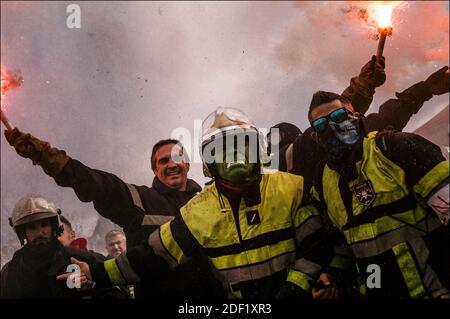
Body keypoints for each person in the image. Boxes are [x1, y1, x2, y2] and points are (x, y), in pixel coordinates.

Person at [59, 107, 338, 299]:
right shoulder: (197, 213)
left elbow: (318, 245)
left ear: (258, 150)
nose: (235, 159)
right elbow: (152, 257)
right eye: (223, 151)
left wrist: (296, 288)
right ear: (209, 163)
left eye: (242, 146)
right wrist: (95, 272)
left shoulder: (289, 188)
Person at [3, 134, 225, 298]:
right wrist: (44, 155)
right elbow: (98, 184)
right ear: (154, 170)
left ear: (187, 164)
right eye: (162, 161)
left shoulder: (215, 201)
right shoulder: (141, 201)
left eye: (177, 158)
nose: (171, 164)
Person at [307, 90, 450, 298]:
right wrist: (332, 277)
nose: (331, 126)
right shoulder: (321, 184)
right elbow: (343, 246)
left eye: (338, 116)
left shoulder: (396, 148)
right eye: (320, 126)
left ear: (355, 116)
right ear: (315, 136)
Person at [0, 196, 102, 298]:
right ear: (23, 233)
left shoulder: (79, 259)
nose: (39, 233)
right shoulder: (11, 270)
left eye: (44, 225)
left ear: (53, 227)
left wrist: (90, 285)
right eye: (32, 227)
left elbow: (112, 291)